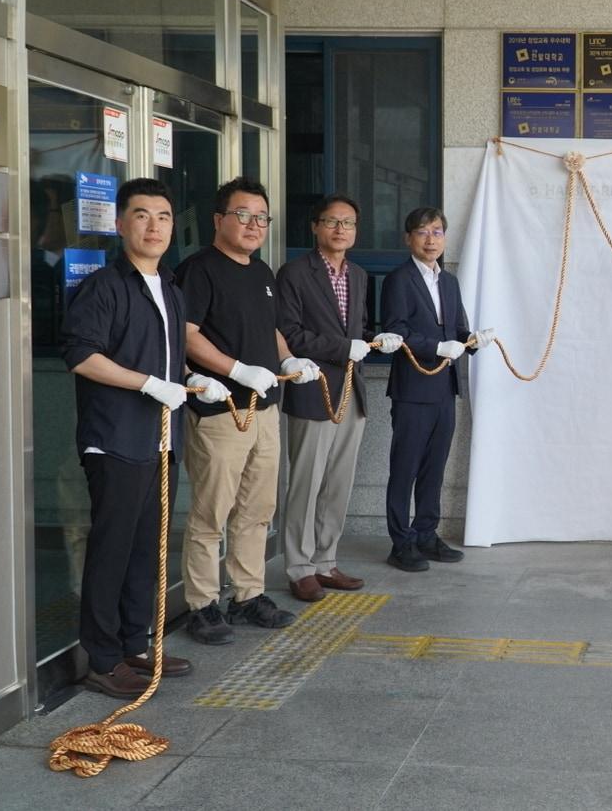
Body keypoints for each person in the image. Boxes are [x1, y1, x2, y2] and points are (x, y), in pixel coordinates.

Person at [61, 178, 227, 697]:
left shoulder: (171, 288)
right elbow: (82, 355)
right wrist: (148, 383)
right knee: (111, 549)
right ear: (120, 224)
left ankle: (137, 644)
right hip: (116, 438)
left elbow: (165, 357)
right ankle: (103, 659)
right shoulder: (105, 286)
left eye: (163, 217)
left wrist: (188, 378)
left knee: (145, 550)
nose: (153, 226)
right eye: (142, 215)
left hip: (160, 440)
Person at [177, 176, 322, 645]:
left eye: (262, 217)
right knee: (210, 512)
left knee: (258, 509)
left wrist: (288, 359)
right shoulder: (199, 269)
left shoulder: (262, 273)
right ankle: (202, 604)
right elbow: (188, 334)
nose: (253, 225)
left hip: (264, 409)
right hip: (222, 411)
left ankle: (247, 595)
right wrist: (236, 370)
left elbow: (274, 329)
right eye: (243, 215)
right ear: (219, 220)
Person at [276, 195, 403, 603]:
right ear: (315, 227)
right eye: (332, 222)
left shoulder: (360, 275)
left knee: (338, 484)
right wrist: (341, 347)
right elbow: (290, 334)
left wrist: (373, 340)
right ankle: (299, 567)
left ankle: (326, 560)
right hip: (314, 389)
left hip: (352, 391)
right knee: (306, 483)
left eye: (348, 223)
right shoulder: (294, 273)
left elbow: (357, 330)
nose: (340, 230)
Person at [381, 207, 494, 571]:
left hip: (445, 387)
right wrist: (435, 347)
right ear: (408, 238)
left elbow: (456, 329)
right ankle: (401, 542)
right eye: (423, 232)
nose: (431, 239)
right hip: (413, 389)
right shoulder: (398, 279)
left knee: (434, 468)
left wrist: (472, 340)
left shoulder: (449, 281)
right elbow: (396, 330)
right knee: (405, 468)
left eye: (437, 231)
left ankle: (427, 534)